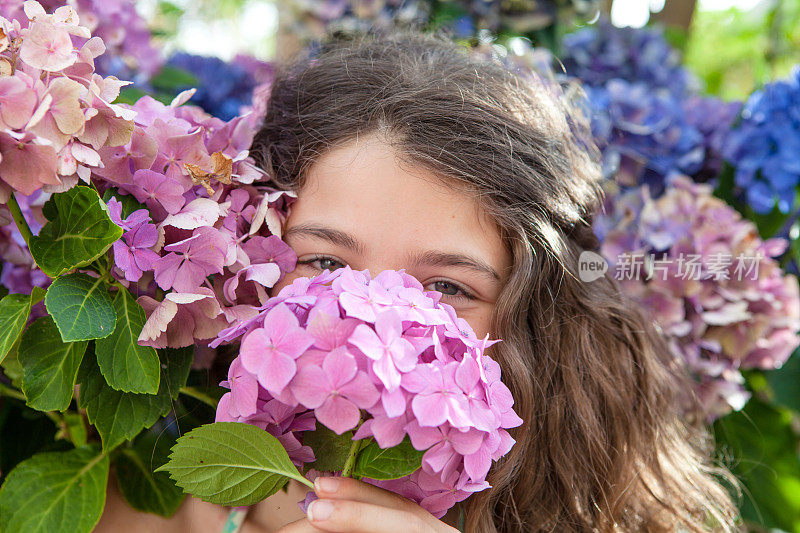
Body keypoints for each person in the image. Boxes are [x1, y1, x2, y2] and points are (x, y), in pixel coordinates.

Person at [96, 29, 740, 532]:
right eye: (326, 264)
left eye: (448, 288)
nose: (370, 321)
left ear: (532, 314)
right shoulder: (136, 511)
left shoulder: (592, 513)